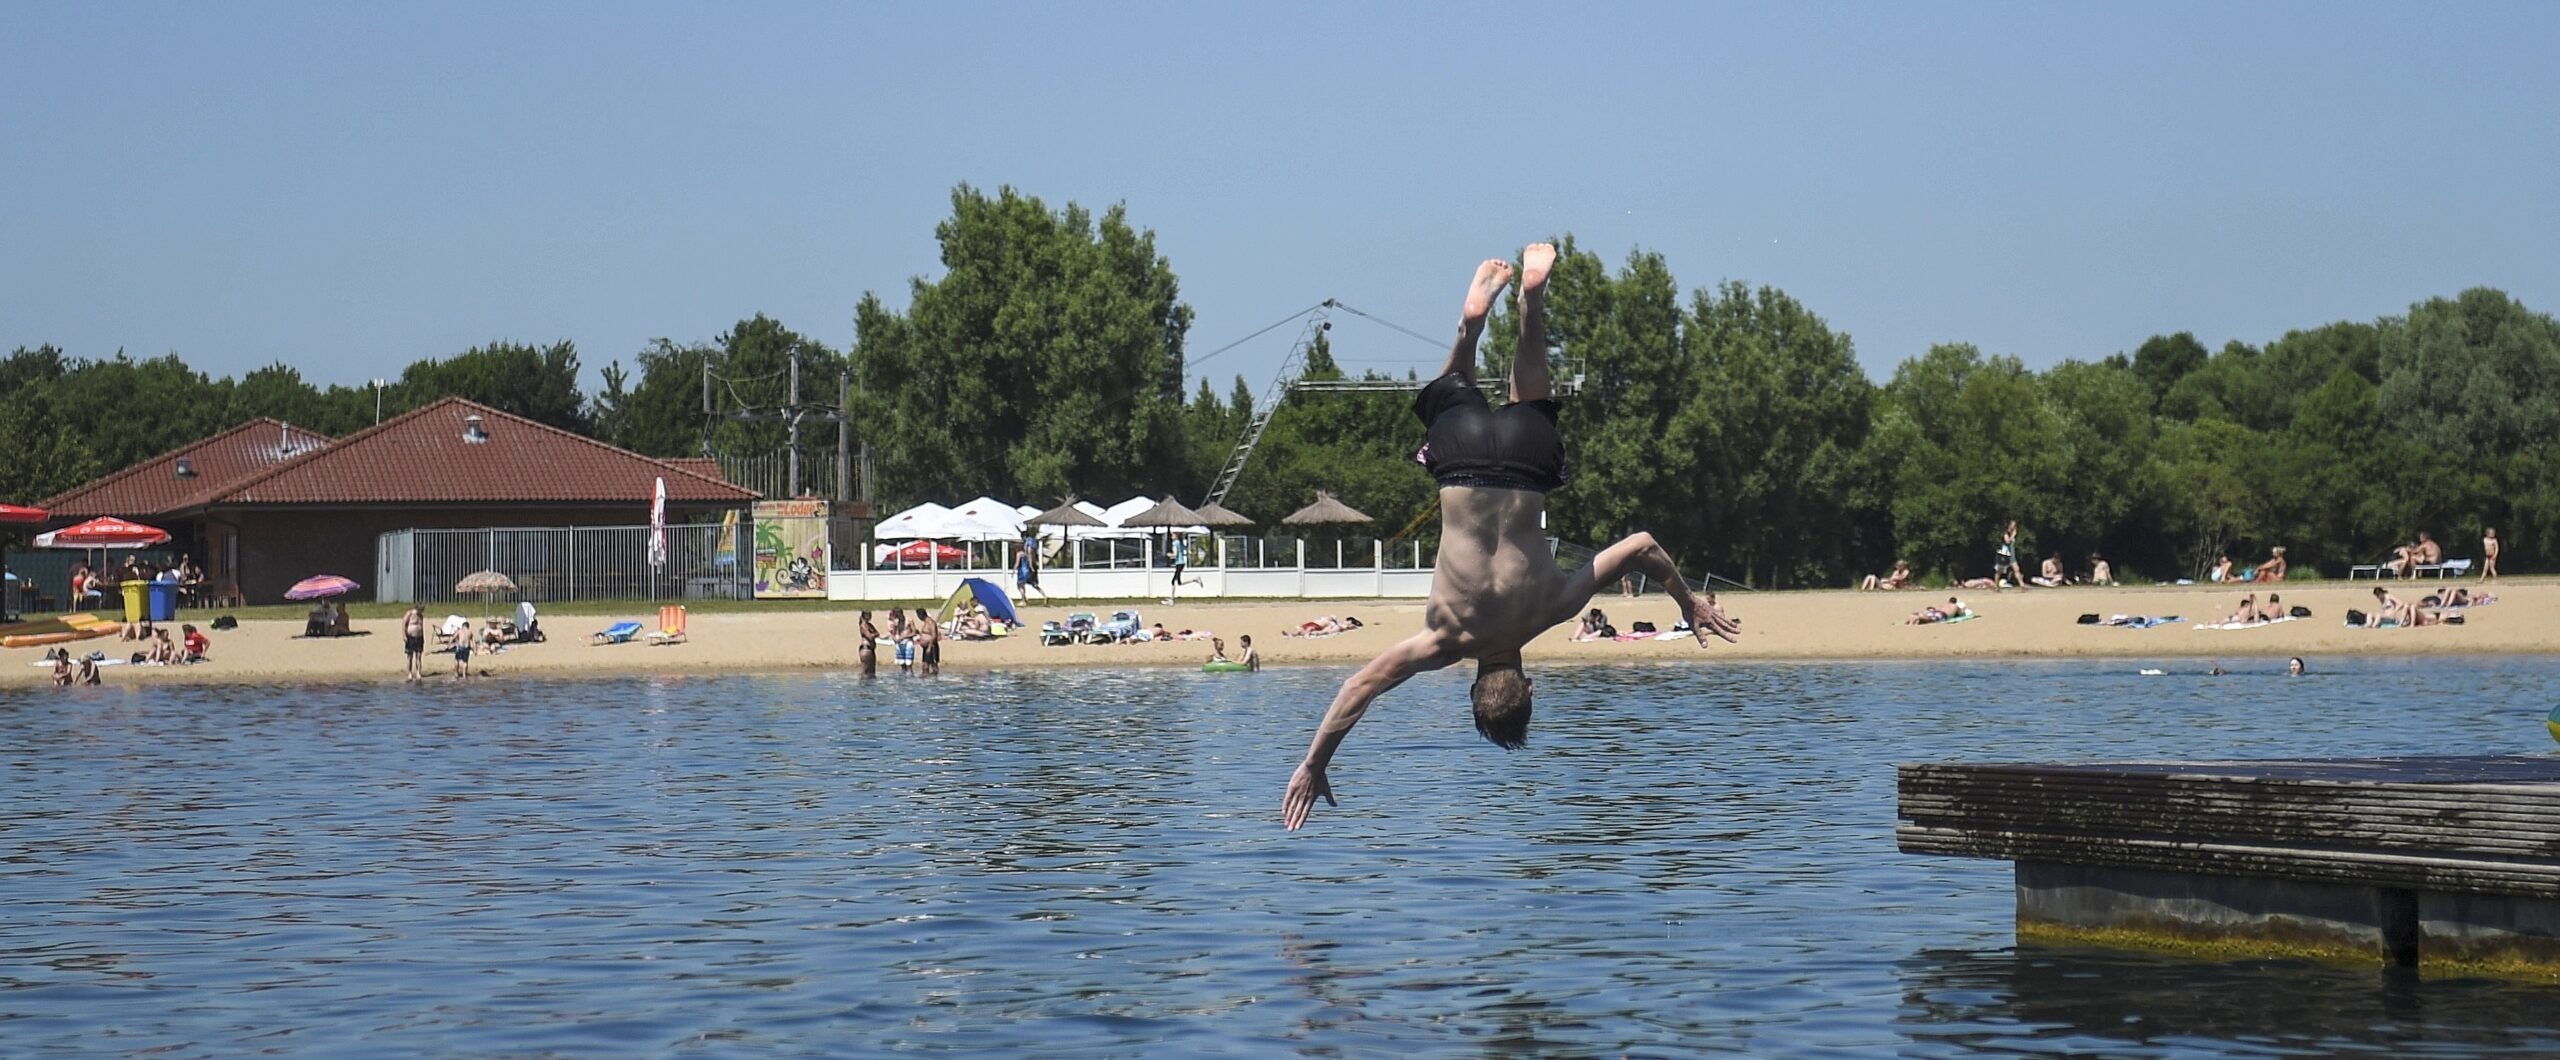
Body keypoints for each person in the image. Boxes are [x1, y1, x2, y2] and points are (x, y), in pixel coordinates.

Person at [1283, 246, 1741, 831]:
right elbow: (1358, 687)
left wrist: (1689, 602)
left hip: (1527, 462)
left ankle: (1532, 300)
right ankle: (1470, 326)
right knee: (1451, 387)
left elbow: (1643, 545)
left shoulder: (1553, 608)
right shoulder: (1442, 643)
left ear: (1530, 686)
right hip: (1462, 462)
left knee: (1533, 403)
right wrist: (1313, 762)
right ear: (1471, 688)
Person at [1016, 534, 1047, 601]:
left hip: (1026, 569)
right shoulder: (1032, 543)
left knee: (1020, 584)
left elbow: (1029, 554)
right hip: (1031, 566)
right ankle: (1044, 596)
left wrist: (1031, 566)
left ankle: (1023, 600)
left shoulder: (1028, 545)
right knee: (1033, 584)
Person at [913, 607, 940, 676]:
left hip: (931, 647)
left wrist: (929, 647)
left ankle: (935, 680)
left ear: (920, 615)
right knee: (925, 666)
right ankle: (926, 682)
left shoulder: (930, 622)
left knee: (934, 666)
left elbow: (934, 635)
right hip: (926, 648)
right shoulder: (925, 622)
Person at [857, 610, 880, 677]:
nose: (870, 616)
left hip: (871, 649)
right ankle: (863, 685)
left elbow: (877, 633)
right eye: (868, 614)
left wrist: (875, 634)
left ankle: (870, 686)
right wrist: (875, 634)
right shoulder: (863, 625)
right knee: (865, 670)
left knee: (872, 671)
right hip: (866, 649)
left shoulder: (869, 625)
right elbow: (870, 636)